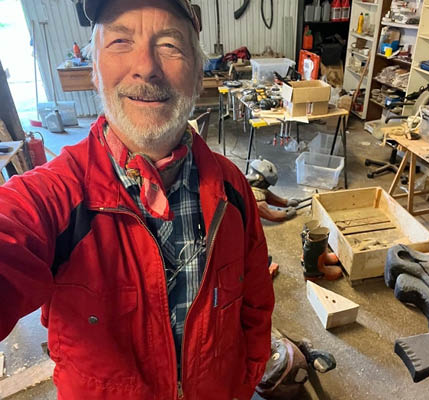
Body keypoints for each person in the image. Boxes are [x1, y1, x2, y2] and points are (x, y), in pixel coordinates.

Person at [0, 0, 274, 399]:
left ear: (198, 75)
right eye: (120, 41)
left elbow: (256, 301)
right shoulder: (55, 197)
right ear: (95, 70)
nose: (146, 67)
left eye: (169, 45)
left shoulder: (232, 188)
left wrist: (244, 382)